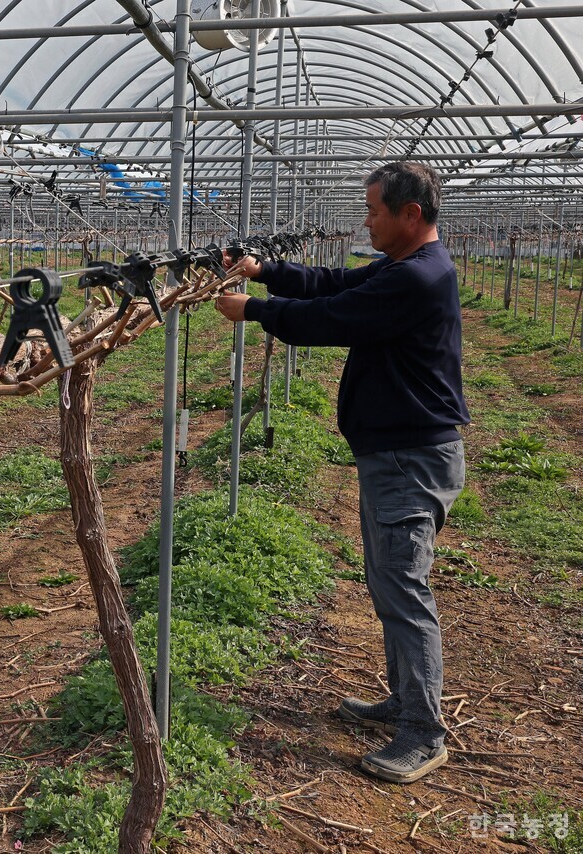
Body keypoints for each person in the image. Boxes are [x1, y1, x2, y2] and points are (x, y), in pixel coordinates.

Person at [213, 161, 469, 784]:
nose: (366, 219)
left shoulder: (420, 279)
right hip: (396, 454)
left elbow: (335, 319)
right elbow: (332, 284)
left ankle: (423, 731)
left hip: (411, 459)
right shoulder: (407, 268)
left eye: (375, 210)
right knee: (388, 583)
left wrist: (254, 310)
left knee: (405, 591)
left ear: (411, 215)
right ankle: (405, 700)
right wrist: (266, 270)